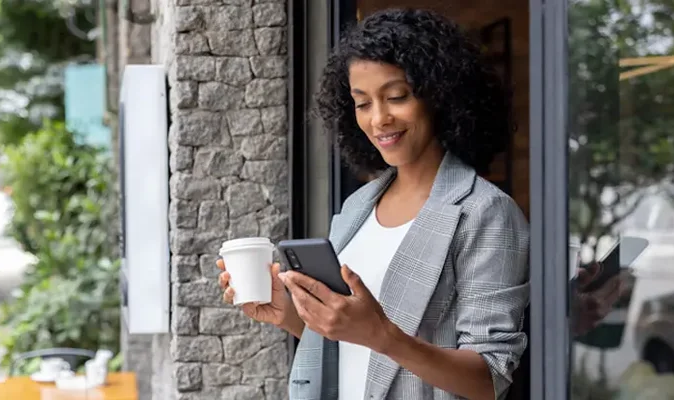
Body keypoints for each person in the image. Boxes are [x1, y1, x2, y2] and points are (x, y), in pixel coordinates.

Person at [218, 8, 528, 400]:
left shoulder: (484, 211)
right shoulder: (358, 206)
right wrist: (292, 315)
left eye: (396, 97)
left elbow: (489, 378)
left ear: (439, 96)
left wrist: (382, 335)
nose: (379, 118)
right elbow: (352, 348)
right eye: (362, 103)